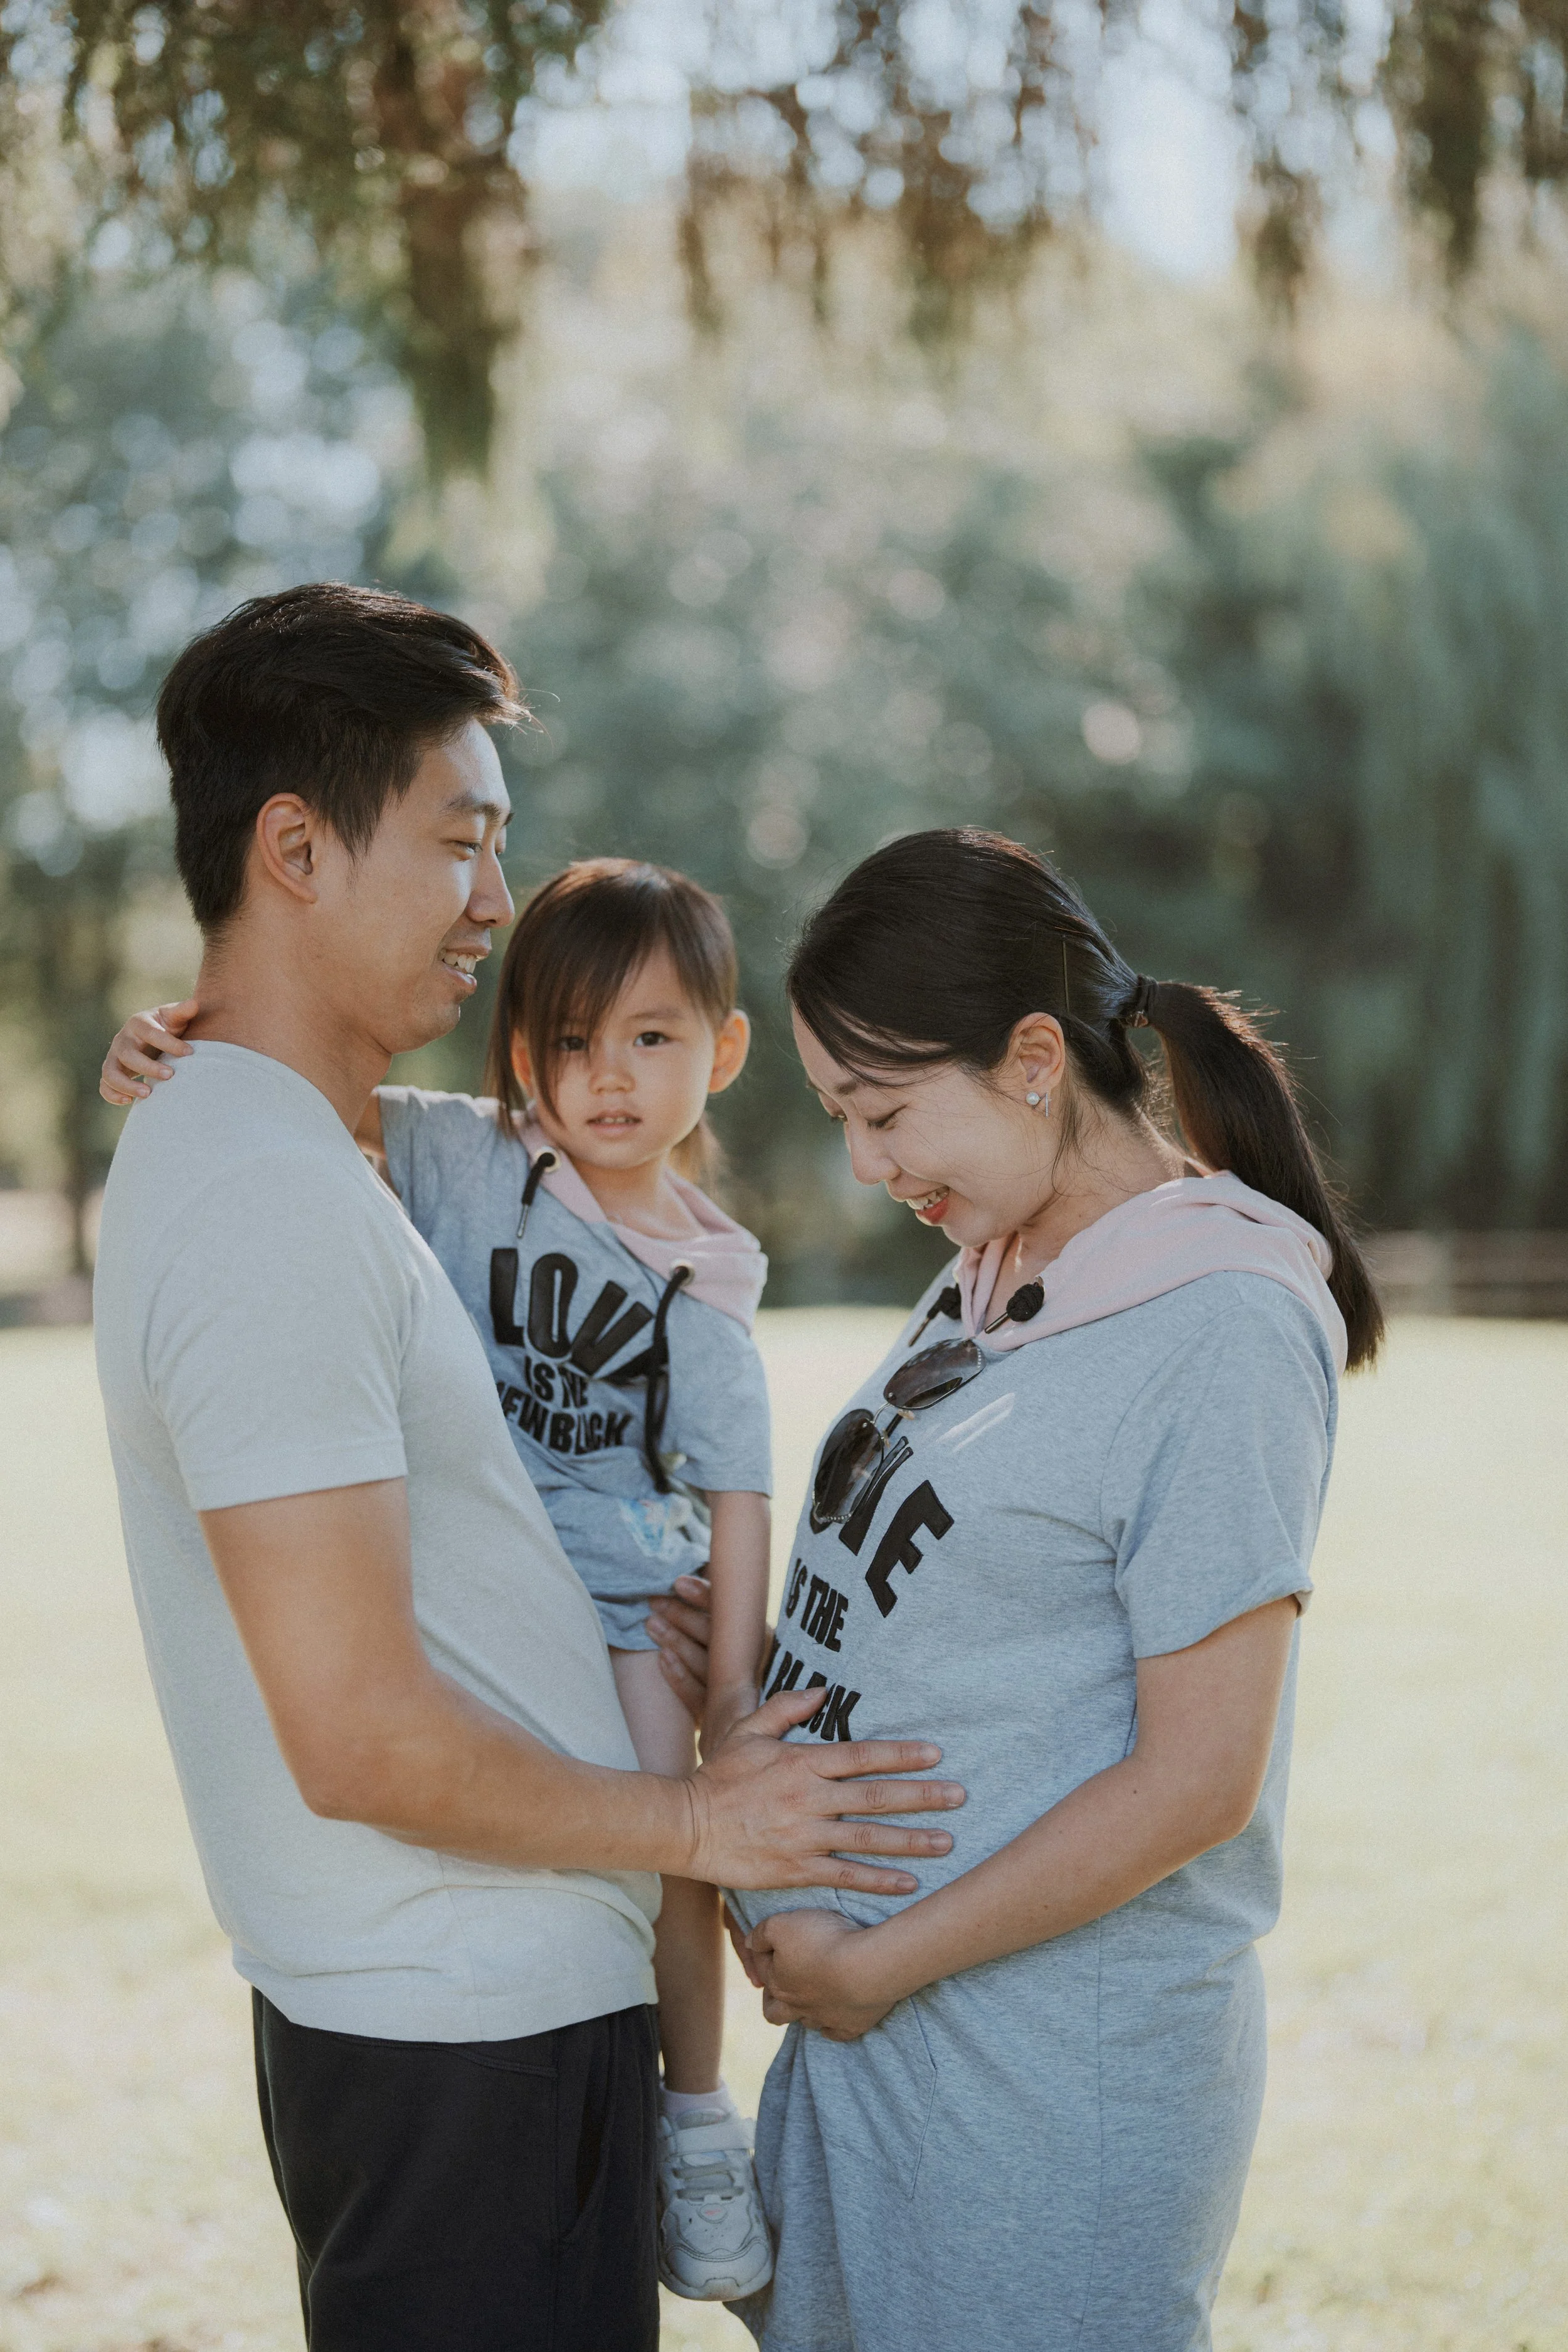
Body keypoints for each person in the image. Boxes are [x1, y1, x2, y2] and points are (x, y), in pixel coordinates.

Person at [90, 583, 964, 2352]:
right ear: (296, 849)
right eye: (460, 840)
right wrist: (701, 1817)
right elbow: (359, 1733)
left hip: (485, 2017)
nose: (499, 898)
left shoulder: (305, 1150)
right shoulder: (263, 1192)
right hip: (451, 2045)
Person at [722, 827, 1383, 2352]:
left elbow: (1198, 1780)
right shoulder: (995, 1264)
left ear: (1032, 1058)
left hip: (1035, 2089)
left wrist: (870, 1964)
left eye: (884, 1112)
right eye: (839, 1118)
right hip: (879, 2053)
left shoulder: (1216, 1325)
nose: (864, 1165)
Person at [103, 855, 778, 2302]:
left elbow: (736, 1488)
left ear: (720, 1052)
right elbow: (293, 1092)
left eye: (649, 1041)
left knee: (674, 1830)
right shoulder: (468, 1156)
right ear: (520, 1053)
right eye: (569, 1044)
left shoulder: (711, 1276)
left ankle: (694, 2108)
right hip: (476, 1585)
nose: (606, 1081)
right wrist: (162, 1036)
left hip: (620, 1602)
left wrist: (730, 1687)